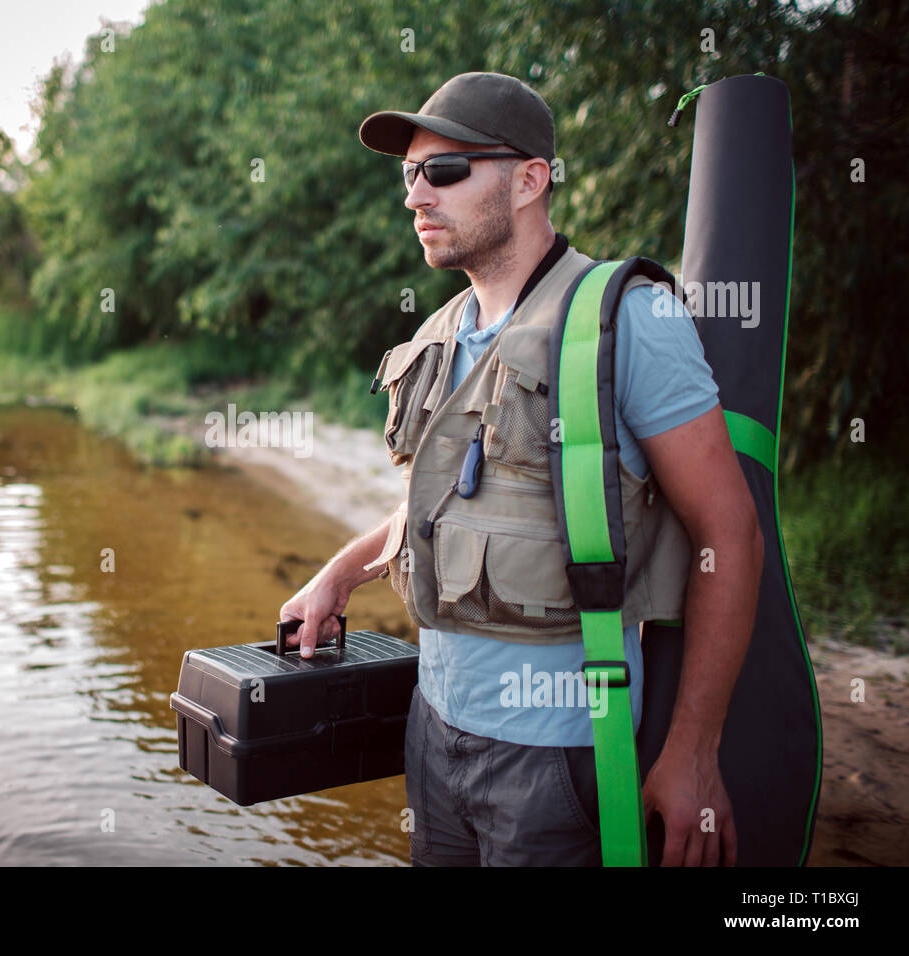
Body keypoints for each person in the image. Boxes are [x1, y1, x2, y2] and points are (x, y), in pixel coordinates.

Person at [279, 72, 763, 866]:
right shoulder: (440, 331)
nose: (415, 197)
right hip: (431, 731)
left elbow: (730, 532)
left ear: (531, 179)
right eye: (409, 175)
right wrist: (338, 576)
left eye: (444, 171)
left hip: (559, 757)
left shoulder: (630, 318)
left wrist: (694, 753)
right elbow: (446, 507)